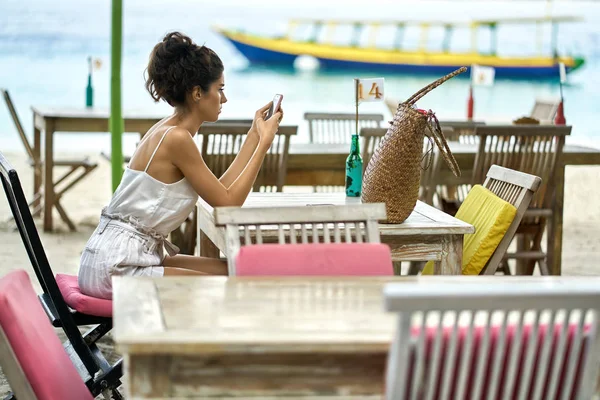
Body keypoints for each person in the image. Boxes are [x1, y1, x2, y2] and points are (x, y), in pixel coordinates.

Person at [78, 31, 283, 299]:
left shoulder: (168, 129)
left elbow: (219, 192)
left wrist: (254, 137)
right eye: (220, 89)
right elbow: (229, 203)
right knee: (227, 287)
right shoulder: (177, 139)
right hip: (117, 266)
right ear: (198, 93)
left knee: (235, 269)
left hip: (120, 254)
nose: (224, 99)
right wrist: (265, 146)